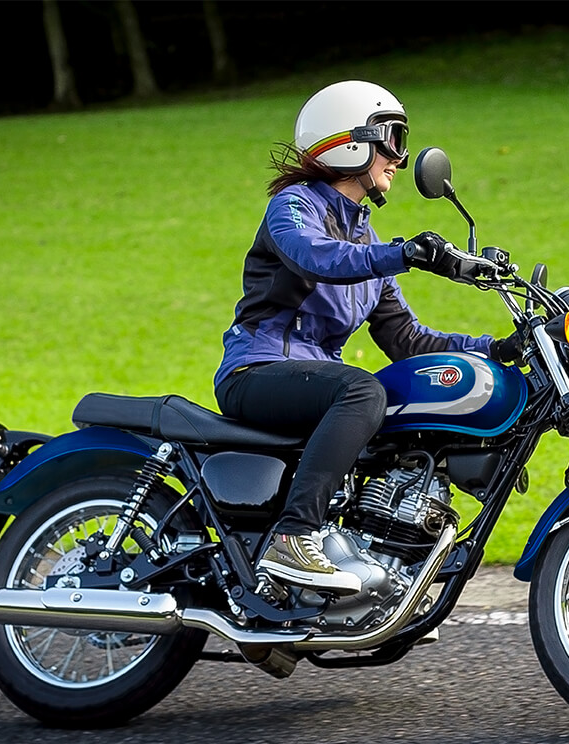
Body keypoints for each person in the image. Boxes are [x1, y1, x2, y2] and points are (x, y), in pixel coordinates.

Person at [213, 80, 520, 595]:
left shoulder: (367, 240)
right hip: (257, 371)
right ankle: (293, 537)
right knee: (362, 389)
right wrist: (407, 253)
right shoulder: (294, 207)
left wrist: (497, 349)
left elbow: (407, 339)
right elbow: (317, 257)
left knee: (404, 399)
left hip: (312, 379)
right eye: (392, 139)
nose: (399, 158)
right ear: (347, 141)